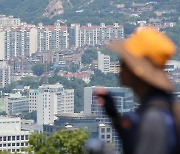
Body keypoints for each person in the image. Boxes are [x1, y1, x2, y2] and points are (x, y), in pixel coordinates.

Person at [95, 27, 178, 154]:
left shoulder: (154, 117)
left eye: (124, 63)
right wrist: (114, 116)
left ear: (136, 71)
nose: (119, 67)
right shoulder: (162, 106)